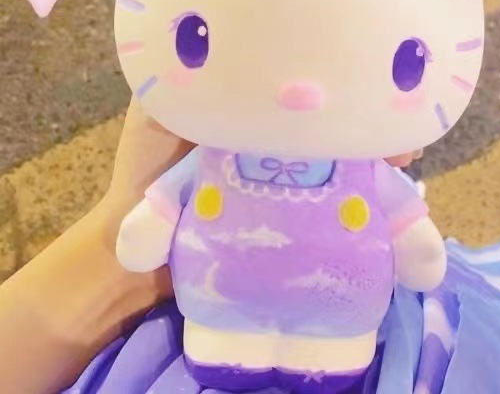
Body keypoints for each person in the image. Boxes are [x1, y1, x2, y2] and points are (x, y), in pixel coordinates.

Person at [0, 98, 423, 394]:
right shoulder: (213, 154)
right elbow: (168, 194)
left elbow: (404, 214)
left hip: (337, 314)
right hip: (218, 300)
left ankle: (325, 350)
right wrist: (127, 236)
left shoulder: (360, 164)